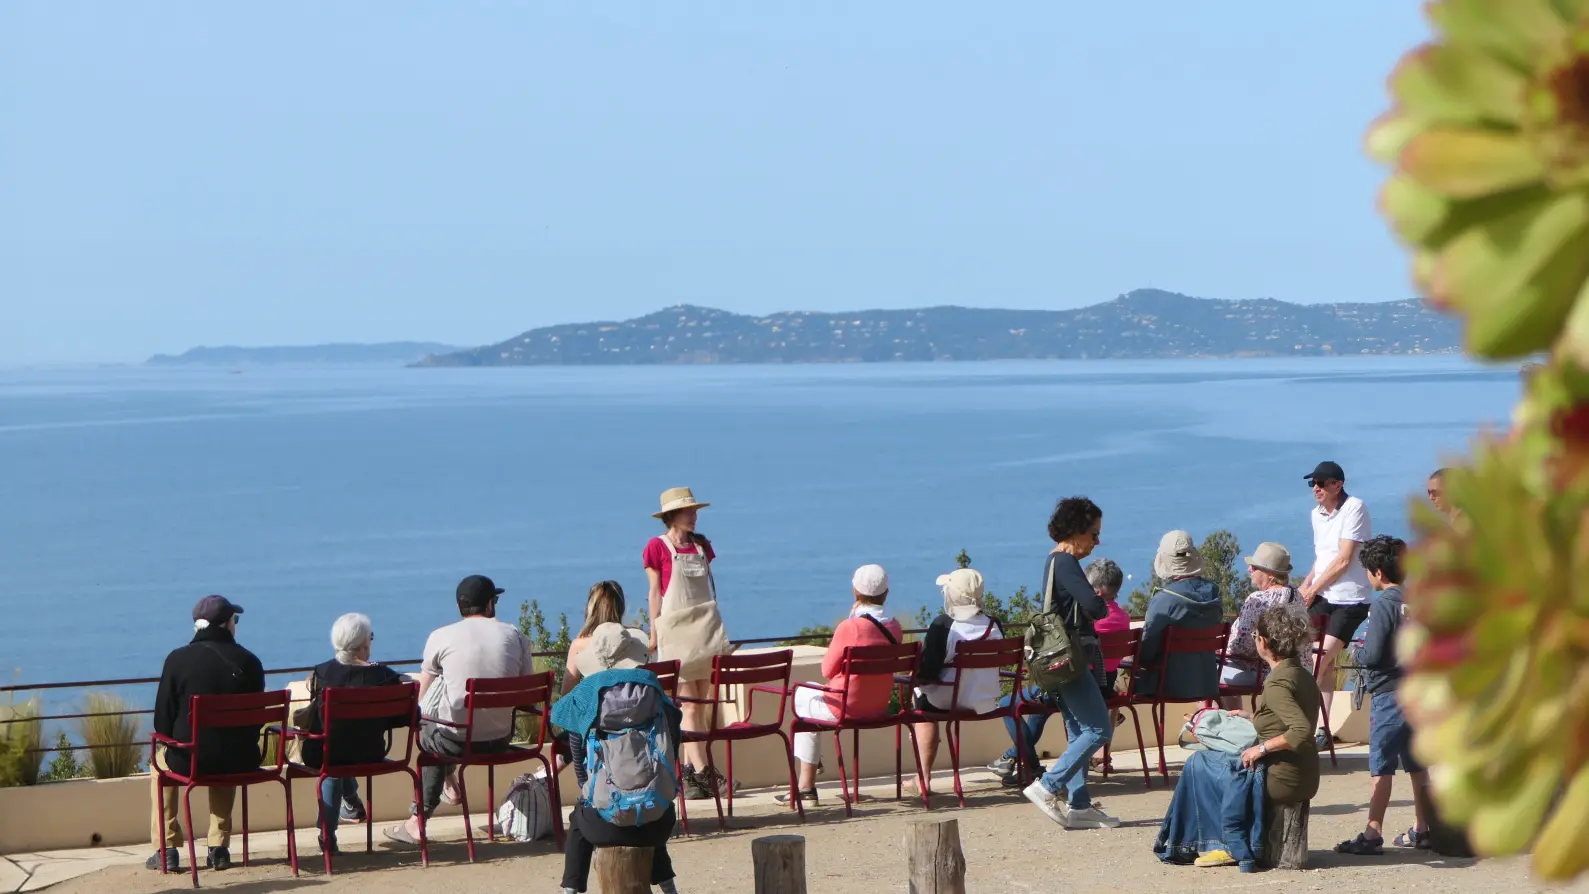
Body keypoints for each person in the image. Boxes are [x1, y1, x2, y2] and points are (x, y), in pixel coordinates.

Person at [1153, 605, 1320, 869]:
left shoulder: (1277, 683)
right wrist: (1250, 717)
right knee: (1217, 763)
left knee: (1199, 764)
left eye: (1255, 636)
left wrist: (1260, 749)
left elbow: (1300, 731)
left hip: (1282, 777)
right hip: (1303, 773)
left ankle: (1223, 845)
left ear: (1263, 642)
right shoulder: (1301, 674)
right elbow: (1288, 719)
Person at [385, 574, 534, 846]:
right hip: (500, 739)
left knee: (430, 739)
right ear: (490, 605)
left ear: (459, 608)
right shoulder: (515, 635)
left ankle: (418, 821)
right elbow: (526, 695)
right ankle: (449, 781)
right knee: (444, 738)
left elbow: (424, 692)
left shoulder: (441, 636)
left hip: (456, 743)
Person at [552, 623, 682, 894]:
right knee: (648, 799)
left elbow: (577, 758)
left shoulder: (586, 697)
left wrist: (588, 787)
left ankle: (570, 890)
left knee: (579, 818)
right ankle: (670, 888)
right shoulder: (654, 691)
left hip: (604, 824)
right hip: (659, 822)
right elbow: (674, 739)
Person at [1018, 497, 1123, 830]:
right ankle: (1048, 785)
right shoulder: (1065, 563)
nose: (1096, 542)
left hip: (1058, 661)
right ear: (1076, 530)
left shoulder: (1053, 562)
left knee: (1079, 729)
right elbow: (1094, 604)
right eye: (1093, 534)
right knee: (1098, 729)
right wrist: (1101, 608)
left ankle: (1079, 806)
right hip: (1071, 658)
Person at [147, 596, 264, 873]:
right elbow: (256, 720)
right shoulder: (250, 662)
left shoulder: (177, 660)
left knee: (157, 764)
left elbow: (161, 725)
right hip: (241, 760)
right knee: (227, 750)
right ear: (226, 624)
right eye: (235, 619)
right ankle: (219, 847)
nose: (236, 624)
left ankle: (168, 849)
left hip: (189, 761)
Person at [1335, 535, 1434, 855]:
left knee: (1382, 766)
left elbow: (1374, 652)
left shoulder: (1383, 606)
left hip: (1388, 695)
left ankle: (1372, 831)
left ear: (1378, 572)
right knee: (1418, 766)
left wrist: (1357, 653)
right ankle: (1424, 827)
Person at [775, 564, 904, 805]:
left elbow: (827, 670)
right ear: (886, 593)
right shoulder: (894, 627)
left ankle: (806, 786)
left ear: (855, 593)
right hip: (878, 706)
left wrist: (850, 620)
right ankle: (809, 772)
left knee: (801, 696)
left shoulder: (850, 627)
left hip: (844, 707)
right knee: (807, 706)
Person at [989, 557, 1125, 782]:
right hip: (1105, 687)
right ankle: (1017, 763)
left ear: (1093, 592)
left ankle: (1024, 763)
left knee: (1008, 703)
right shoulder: (1123, 618)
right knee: (1041, 704)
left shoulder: (1086, 621)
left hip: (1079, 687)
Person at [643, 487, 729, 801]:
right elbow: (655, 593)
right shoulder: (657, 547)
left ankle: (693, 776)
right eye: (688, 511)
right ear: (672, 516)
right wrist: (653, 632)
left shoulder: (702, 545)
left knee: (701, 705)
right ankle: (707, 773)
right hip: (676, 632)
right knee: (689, 705)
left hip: (703, 631)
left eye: (694, 511)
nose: (694, 515)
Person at [299, 613, 405, 855]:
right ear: (365, 644)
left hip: (325, 753)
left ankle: (328, 833)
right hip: (371, 752)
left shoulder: (321, 673)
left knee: (333, 755)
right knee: (342, 747)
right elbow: (407, 717)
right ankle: (351, 802)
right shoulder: (384, 676)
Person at [908, 568, 1003, 798]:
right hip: (984, 700)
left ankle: (924, 778)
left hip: (948, 701)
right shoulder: (994, 625)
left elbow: (927, 672)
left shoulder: (945, 625)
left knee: (920, 700)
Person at [1299, 461, 1373, 697]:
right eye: (1313, 483)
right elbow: (1323, 555)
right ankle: (1323, 728)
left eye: (1321, 483)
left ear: (1338, 485)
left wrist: (1311, 592)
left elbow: (1344, 559)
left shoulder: (1354, 508)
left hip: (1349, 600)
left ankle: (1300, 725)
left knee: (1315, 664)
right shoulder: (1316, 515)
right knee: (1324, 665)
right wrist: (1307, 582)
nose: (1315, 488)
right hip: (1323, 596)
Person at [1135, 531, 1224, 700]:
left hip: (1168, 684)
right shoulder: (1215, 593)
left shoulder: (1164, 599)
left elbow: (1147, 650)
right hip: (1208, 681)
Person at [1220, 543, 1309, 695]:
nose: (1249, 569)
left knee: (1204, 673)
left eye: (1254, 567)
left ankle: (1217, 718)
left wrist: (1220, 648)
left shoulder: (1258, 600)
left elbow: (1239, 647)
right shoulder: (1297, 597)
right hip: (1300, 673)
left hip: (1266, 674)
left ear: (1270, 574)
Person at [563, 581, 632, 696]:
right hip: (634, 709)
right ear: (621, 608)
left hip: (595, 711)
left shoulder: (579, 645)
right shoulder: (635, 638)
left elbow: (566, 693)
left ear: (591, 609)